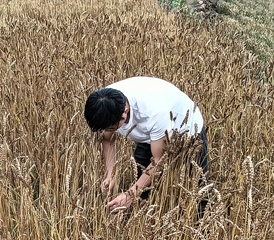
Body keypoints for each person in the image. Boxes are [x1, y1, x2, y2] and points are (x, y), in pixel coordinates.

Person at [83, 77, 208, 213]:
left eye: (112, 128)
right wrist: (111, 174)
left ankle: (205, 224)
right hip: (150, 136)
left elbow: (158, 160)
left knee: (199, 187)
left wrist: (131, 194)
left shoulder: (155, 112)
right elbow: (107, 140)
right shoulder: (103, 103)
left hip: (186, 129)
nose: (109, 131)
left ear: (125, 111)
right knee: (140, 181)